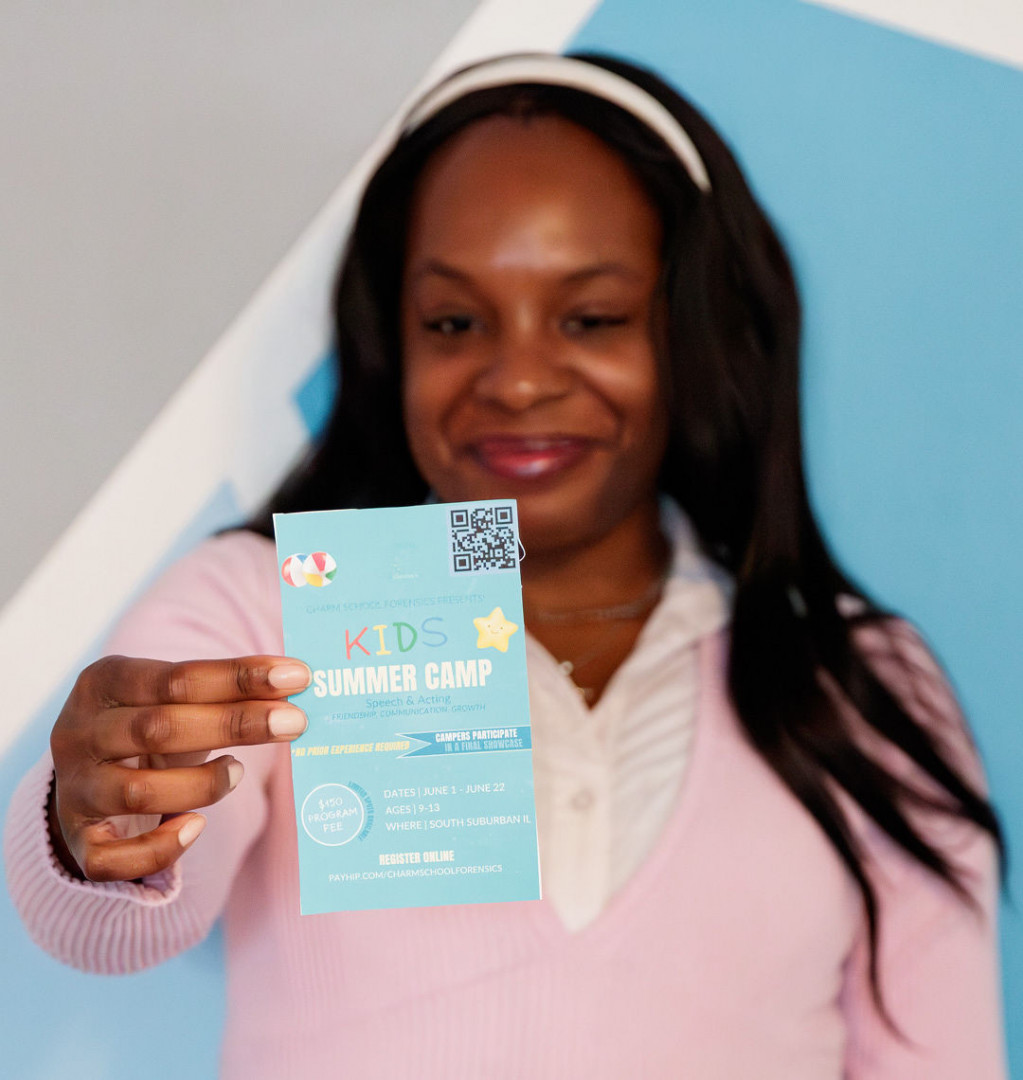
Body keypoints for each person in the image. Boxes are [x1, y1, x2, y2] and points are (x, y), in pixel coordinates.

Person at [4, 52, 1007, 1078]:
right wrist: (109, 818)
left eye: (591, 319)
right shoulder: (267, 608)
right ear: (393, 343)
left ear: (696, 332)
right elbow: (117, 911)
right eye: (454, 322)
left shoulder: (861, 686)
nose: (518, 379)